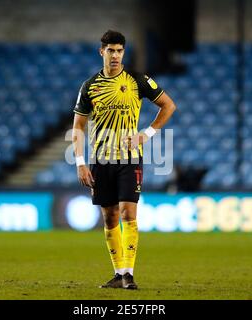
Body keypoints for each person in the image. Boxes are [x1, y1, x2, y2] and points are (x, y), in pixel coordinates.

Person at [72, 30, 176, 289]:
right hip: (100, 160)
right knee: (109, 218)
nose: (115, 55)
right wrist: (80, 162)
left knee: (129, 213)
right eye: (111, 50)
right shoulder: (90, 86)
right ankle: (119, 274)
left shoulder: (137, 80)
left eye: (119, 50)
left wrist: (146, 134)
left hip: (130, 159)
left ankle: (129, 274)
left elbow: (168, 106)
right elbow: (78, 126)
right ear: (102, 52)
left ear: (123, 52)